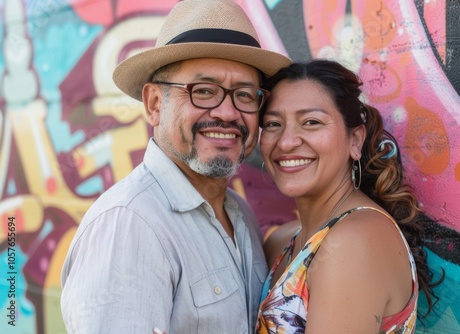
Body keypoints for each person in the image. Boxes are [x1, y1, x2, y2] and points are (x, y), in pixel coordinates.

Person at [60, 0, 291, 333]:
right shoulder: (131, 226)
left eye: (243, 95)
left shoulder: (240, 215)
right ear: (155, 104)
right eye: (204, 91)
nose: (227, 113)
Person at [256, 59, 436, 333]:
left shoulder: (353, 242)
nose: (286, 141)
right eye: (272, 124)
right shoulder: (282, 241)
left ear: (355, 140)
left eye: (311, 122)